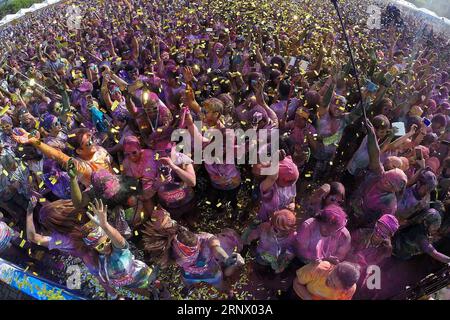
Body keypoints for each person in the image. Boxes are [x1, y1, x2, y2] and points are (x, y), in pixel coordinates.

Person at [292, 261, 360, 300]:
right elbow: (296, 282)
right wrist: (308, 298)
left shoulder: (350, 290)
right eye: (330, 277)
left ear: (344, 289)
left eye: (334, 286)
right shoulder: (318, 269)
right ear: (333, 268)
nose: (329, 283)